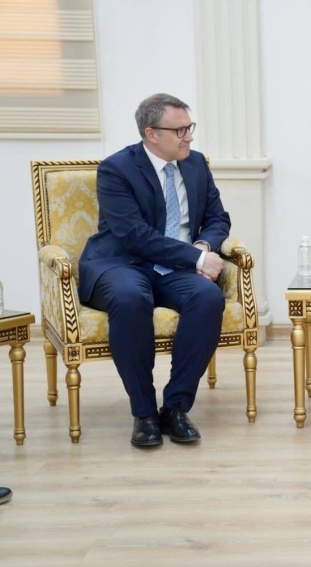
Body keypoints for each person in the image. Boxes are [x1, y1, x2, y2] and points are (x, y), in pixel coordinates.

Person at [79, 93, 230, 447]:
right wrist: (195, 260)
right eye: (180, 130)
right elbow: (134, 235)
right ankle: (144, 413)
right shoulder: (116, 169)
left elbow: (217, 218)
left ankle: (176, 408)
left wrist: (202, 247)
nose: (189, 136)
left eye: (189, 127)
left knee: (208, 297)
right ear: (152, 134)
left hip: (174, 267)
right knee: (130, 297)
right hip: (122, 262)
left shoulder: (196, 164)